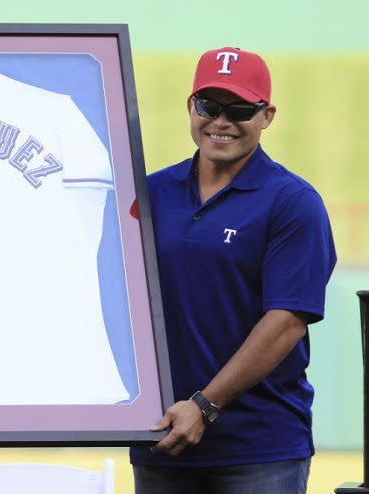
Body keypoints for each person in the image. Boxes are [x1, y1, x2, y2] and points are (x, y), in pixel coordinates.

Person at [129, 47, 336, 493]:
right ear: (191, 107)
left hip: (260, 448)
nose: (221, 122)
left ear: (267, 116)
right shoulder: (150, 192)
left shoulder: (293, 202)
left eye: (240, 109)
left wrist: (203, 406)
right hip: (161, 438)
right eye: (210, 105)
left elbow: (285, 323)